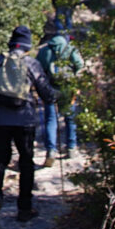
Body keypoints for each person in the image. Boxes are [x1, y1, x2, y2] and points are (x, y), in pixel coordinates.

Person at [0, 25, 57, 224]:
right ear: (27, 46)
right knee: (26, 163)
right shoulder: (31, 63)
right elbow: (46, 93)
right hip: (25, 120)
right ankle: (24, 208)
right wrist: (58, 96)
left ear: (11, 43)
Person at [35, 32, 85, 166]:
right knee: (70, 117)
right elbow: (80, 66)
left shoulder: (45, 50)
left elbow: (38, 70)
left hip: (50, 88)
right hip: (68, 88)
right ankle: (71, 147)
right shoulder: (70, 49)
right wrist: (76, 81)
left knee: (51, 119)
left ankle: (51, 151)